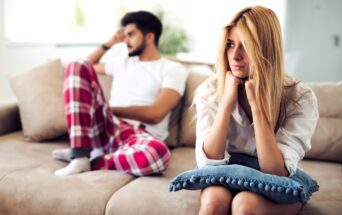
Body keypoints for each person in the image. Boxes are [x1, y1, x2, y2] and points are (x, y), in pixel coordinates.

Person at [194, 6, 318, 215]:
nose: (235, 56)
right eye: (230, 44)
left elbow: (276, 173)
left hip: (276, 181)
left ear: (266, 49)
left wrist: (257, 106)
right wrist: (226, 103)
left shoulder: (300, 97)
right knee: (213, 204)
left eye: (246, 46)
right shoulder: (210, 90)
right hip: (225, 171)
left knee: (244, 206)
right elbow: (209, 162)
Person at [52, 11, 188, 177]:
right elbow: (83, 68)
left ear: (150, 37)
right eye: (124, 36)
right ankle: (80, 154)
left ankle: (92, 158)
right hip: (107, 126)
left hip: (139, 136)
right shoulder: (120, 63)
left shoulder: (172, 69)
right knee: (76, 64)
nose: (125, 41)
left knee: (157, 154)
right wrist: (109, 44)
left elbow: (156, 114)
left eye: (131, 35)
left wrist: (111, 109)